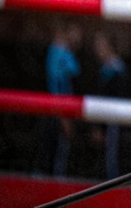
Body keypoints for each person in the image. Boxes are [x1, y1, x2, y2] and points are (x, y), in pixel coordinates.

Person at [45, 20, 83, 177]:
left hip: (59, 107)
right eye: (76, 32)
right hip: (57, 108)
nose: (79, 37)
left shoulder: (58, 53)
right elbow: (59, 85)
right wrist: (63, 117)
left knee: (55, 152)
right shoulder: (61, 54)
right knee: (56, 152)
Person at [92, 30, 128, 179]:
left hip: (113, 123)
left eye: (100, 46)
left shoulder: (117, 71)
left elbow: (114, 100)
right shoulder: (104, 69)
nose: (96, 50)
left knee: (112, 158)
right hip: (104, 119)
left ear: (109, 47)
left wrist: (103, 127)